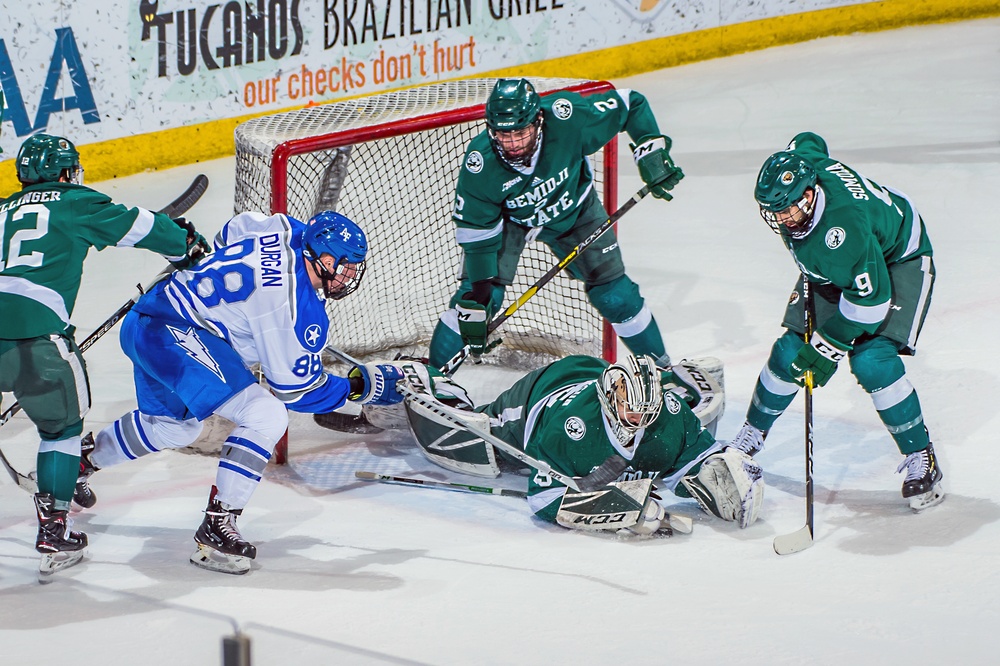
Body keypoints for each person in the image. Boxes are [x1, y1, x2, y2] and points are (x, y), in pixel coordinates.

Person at [74, 210, 410, 574]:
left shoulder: (287, 229)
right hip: (176, 335)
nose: (348, 275)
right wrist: (361, 388)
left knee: (174, 427)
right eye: (344, 265)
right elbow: (297, 392)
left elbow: (236, 227)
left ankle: (80, 462)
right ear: (324, 259)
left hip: (151, 317)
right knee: (266, 414)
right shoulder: (293, 307)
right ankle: (218, 523)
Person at [0, 133, 206, 576]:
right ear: (63, 172)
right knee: (61, 429)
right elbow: (145, 227)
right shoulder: (74, 202)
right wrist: (185, 244)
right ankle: (54, 530)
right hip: (37, 344)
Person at [728, 131, 943, 511]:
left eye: (787, 209)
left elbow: (871, 302)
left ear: (809, 195)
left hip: (900, 258)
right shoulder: (806, 172)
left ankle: (921, 456)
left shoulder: (842, 234)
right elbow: (808, 141)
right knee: (790, 351)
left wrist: (828, 347)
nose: (780, 218)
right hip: (841, 264)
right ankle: (750, 436)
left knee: (872, 361)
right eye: (773, 210)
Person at [428, 78, 684, 369]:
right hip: (512, 222)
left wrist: (649, 150)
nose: (512, 143)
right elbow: (477, 236)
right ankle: (431, 379)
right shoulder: (481, 163)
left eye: (520, 133)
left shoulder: (567, 117)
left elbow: (630, 103)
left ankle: (662, 370)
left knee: (615, 296)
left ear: (538, 121)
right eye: (503, 134)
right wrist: (482, 293)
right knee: (474, 303)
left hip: (576, 210)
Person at [403, 354, 764, 535]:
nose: (638, 420)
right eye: (630, 410)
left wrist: (720, 469)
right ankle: (428, 381)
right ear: (611, 398)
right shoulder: (566, 429)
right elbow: (545, 500)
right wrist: (619, 509)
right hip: (540, 396)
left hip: (599, 373)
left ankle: (683, 378)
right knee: (477, 434)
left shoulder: (667, 412)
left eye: (646, 412)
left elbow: (694, 456)